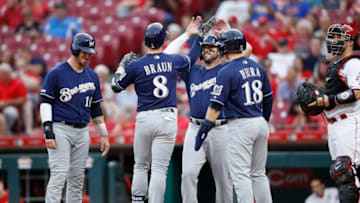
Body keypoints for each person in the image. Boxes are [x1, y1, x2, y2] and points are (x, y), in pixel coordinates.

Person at [111, 17, 204, 203]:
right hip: (167, 118)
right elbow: (191, 58)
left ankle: (137, 201)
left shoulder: (136, 65)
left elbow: (116, 86)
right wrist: (198, 37)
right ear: (163, 40)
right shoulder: (172, 60)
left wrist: (122, 65)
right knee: (160, 168)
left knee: (140, 166)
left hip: (145, 118)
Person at [164, 18, 253, 202]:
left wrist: (229, 31)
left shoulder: (226, 68)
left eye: (211, 48)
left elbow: (248, 50)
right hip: (195, 127)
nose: (207, 51)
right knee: (187, 174)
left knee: (223, 180)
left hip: (221, 128)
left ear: (220, 51)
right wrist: (191, 35)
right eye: (204, 48)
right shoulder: (192, 70)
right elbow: (166, 55)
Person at [195, 29, 273, 203]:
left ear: (226, 47)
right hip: (259, 121)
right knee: (259, 174)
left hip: (240, 125)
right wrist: (264, 121)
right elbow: (269, 98)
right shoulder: (258, 67)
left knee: (240, 176)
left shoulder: (226, 71)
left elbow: (215, 106)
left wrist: (205, 127)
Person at [40, 33, 110, 203]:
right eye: (84, 51)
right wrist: (48, 131)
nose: (87, 55)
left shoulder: (92, 76)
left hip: (82, 130)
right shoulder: (56, 73)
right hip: (60, 128)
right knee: (59, 174)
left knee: (77, 179)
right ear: (75, 49)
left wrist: (104, 134)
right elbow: (45, 103)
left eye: (89, 52)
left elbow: (96, 108)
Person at [303, 24, 360, 203]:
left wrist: (327, 100)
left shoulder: (353, 63)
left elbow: (357, 92)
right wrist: (319, 100)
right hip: (334, 125)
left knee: (350, 174)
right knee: (341, 175)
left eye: (338, 37)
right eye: (333, 37)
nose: (334, 41)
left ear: (350, 41)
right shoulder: (334, 65)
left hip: (350, 122)